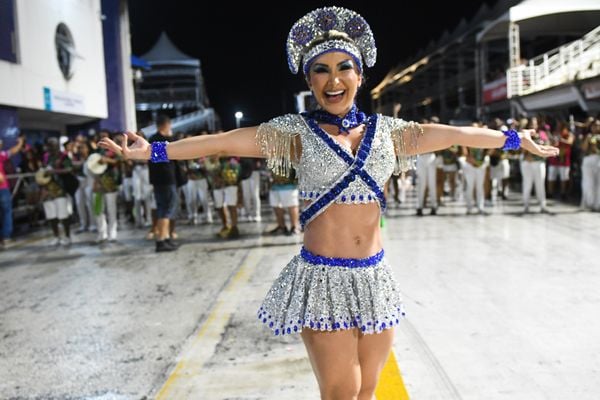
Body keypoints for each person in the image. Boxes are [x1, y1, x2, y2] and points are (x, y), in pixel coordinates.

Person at [99, 7, 558, 399]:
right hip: (323, 281)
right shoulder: (295, 134)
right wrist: (152, 151)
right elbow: (222, 142)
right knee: (341, 394)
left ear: (360, 75)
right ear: (309, 78)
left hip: (374, 278)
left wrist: (518, 139)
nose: (334, 79)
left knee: (367, 392)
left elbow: (459, 134)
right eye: (322, 69)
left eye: (344, 68)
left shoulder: (392, 134)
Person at [147, 115, 179, 252]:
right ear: (165, 125)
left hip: (159, 180)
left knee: (163, 209)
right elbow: (162, 162)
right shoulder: (159, 139)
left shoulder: (154, 139)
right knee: (166, 210)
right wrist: (170, 139)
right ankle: (161, 239)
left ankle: (165, 238)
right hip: (165, 180)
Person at [0, 135, 25, 248]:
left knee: (6, 212)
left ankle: (5, 237)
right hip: (2, 188)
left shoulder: (1, 155)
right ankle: (5, 237)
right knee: (6, 212)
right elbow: (13, 151)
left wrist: (20, 143)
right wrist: (20, 143)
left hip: (3, 188)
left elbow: (11, 151)